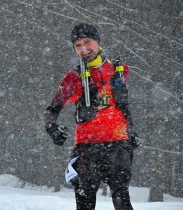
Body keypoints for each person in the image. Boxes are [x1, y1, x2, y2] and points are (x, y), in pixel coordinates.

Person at [42, 23, 140, 210]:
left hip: (118, 143)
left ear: (98, 42)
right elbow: (50, 111)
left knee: (122, 201)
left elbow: (124, 106)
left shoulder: (120, 70)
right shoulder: (72, 78)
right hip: (86, 148)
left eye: (87, 42)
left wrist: (132, 130)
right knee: (85, 204)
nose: (84, 48)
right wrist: (52, 129)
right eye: (77, 45)